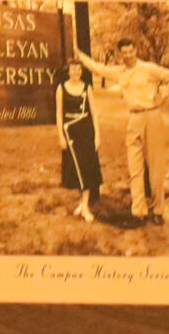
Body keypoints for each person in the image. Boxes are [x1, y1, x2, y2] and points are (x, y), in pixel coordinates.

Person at [78, 39, 169, 224]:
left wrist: (163, 95)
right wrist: (80, 55)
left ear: (135, 50)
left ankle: (158, 210)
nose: (127, 55)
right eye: (124, 52)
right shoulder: (120, 72)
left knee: (156, 167)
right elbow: (98, 68)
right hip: (134, 118)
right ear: (120, 54)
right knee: (135, 167)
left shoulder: (148, 68)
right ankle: (138, 211)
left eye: (130, 51)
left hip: (152, 116)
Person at [57, 56, 101, 222]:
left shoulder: (87, 88)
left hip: (86, 131)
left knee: (87, 167)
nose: (76, 72)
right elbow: (58, 114)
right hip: (70, 132)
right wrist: (60, 136)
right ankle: (82, 203)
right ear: (68, 71)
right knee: (75, 168)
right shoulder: (61, 88)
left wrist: (97, 136)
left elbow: (94, 113)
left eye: (78, 69)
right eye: (73, 69)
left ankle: (85, 205)